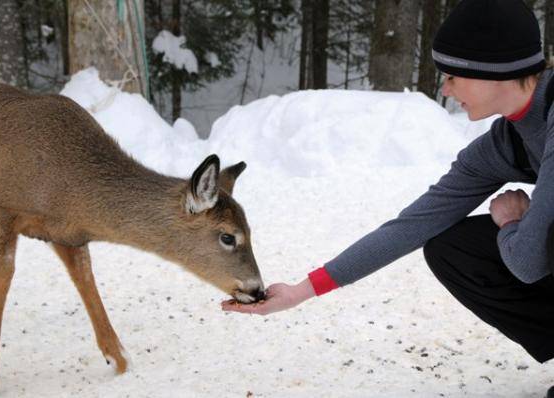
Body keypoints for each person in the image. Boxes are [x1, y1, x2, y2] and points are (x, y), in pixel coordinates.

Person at [222, 0, 554, 395]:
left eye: (452, 76)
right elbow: (412, 225)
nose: (446, 90)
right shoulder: (506, 144)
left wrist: (513, 221)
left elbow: (529, 262)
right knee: (454, 248)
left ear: (494, 72)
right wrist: (301, 290)